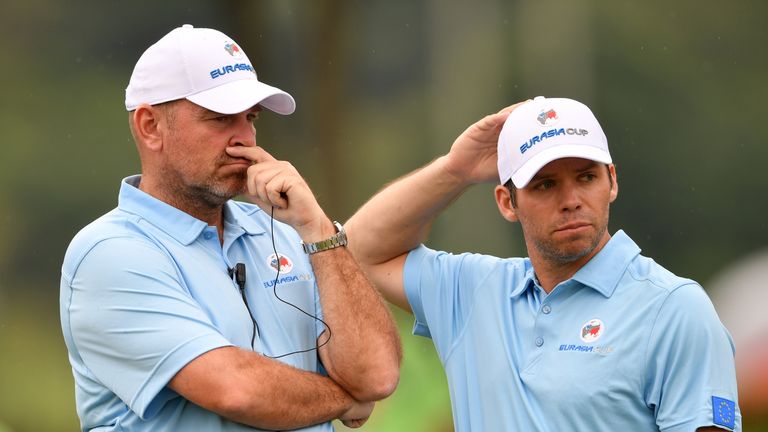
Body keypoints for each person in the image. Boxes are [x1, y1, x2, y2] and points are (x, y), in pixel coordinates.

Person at [59, 24, 401, 431]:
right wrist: (343, 398)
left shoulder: (291, 231)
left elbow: (377, 376)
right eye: (220, 119)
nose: (244, 139)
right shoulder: (109, 253)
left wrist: (319, 229)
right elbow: (237, 390)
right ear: (150, 126)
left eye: (250, 118)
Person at [346, 97, 741, 431]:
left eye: (586, 177)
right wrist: (456, 170)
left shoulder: (674, 308)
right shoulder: (472, 291)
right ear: (506, 202)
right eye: (545, 184)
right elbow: (356, 250)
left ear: (612, 181)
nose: (571, 199)